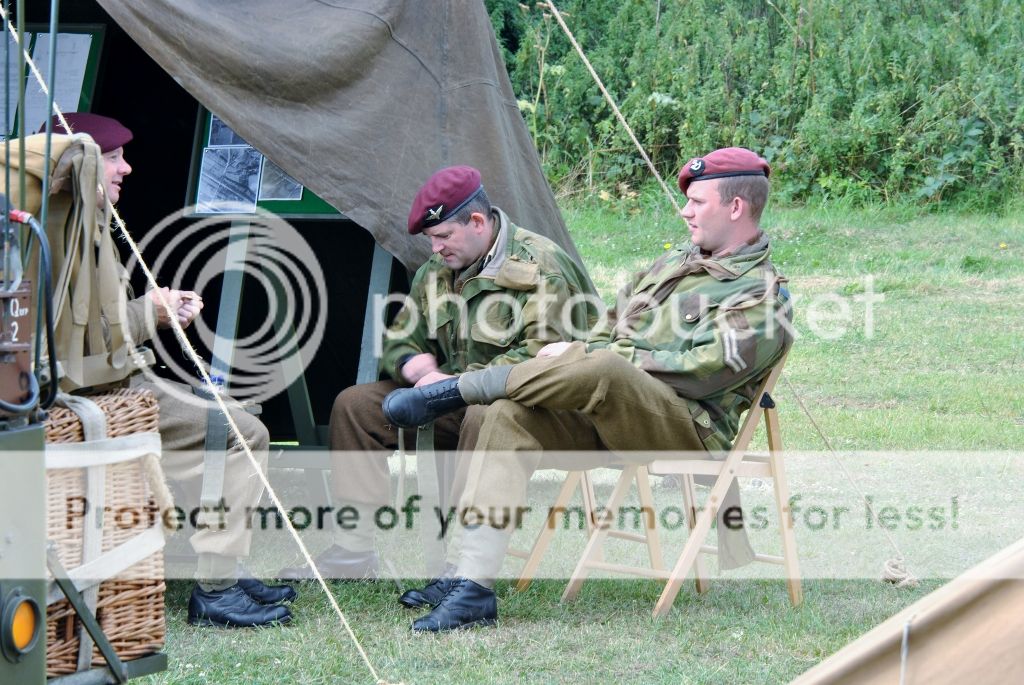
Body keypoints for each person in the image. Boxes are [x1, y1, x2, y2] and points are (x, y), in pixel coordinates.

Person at [383, 147, 793, 631]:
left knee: (603, 367)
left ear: (736, 207)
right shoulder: (670, 268)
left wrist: (600, 358)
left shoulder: (763, 296)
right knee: (502, 414)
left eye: (697, 201)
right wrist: (590, 352)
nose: (685, 210)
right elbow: (603, 327)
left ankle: (457, 390)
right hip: (610, 413)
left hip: (685, 430)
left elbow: (704, 371)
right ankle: (471, 583)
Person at [278, 165, 596, 596]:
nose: (435, 247)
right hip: (456, 400)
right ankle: (352, 551)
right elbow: (398, 341)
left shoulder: (542, 268)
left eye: (443, 235)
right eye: (430, 238)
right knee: (355, 407)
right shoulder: (437, 271)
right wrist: (418, 369)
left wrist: (451, 384)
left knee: (486, 416)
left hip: (528, 411)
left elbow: (540, 363)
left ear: (478, 223)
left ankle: (461, 567)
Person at [47, 113, 297, 628]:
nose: (126, 168)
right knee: (240, 434)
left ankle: (223, 562)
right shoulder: (61, 235)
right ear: (81, 165)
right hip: (92, 397)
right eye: (113, 158)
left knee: (238, 408)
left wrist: (154, 308)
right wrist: (150, 313)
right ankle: (216, 589)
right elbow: (74, 343)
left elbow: (98, 320)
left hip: (117, 381)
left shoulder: (81, 224)